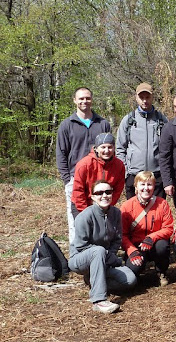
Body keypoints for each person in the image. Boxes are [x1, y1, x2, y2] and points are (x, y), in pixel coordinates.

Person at [68, 180, 137, 314]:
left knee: (130, 279)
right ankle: (98, 300)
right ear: (92, 196)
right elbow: (81, 246)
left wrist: (109, 256)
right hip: (80, 259)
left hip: (103, 259)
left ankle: (94, 280)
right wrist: (108, 256)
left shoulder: (116, 213)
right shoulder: (84, 216)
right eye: (99, 193)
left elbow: (117, 240)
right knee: (98, 251)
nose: (104, 195)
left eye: (108, 192)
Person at [56, 87, 111, 244]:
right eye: (81, 98)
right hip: (76, 179)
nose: (84, 101)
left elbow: (108, 151)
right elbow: (61, 154)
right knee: (76, 218)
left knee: (100, 216)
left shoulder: (103, 124)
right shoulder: (66, 125)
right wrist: (67, 180)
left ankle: (99, 250)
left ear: (92, 99)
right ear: (74, 100)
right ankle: (77, 251)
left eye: (87, 98)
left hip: (99, 180)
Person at [120, 171, 174, 286]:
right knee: (133, 269)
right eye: (142, 184)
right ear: (136, 187)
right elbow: (122, 235)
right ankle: (138, 273)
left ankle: (162, 272)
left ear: (154, 187)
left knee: (162, 247)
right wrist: (131, 251)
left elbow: (168, 228)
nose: (146, 188)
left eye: (149, 185)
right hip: (137, 246)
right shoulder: (126, 206)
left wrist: (151, 237)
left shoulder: (162, 204)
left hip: (155, 243)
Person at [116, 82, 168, 199]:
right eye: (141, 97)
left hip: (156, 176)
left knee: (156, 212)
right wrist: (125, 173)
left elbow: (168, 149)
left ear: (152, 97)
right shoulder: (129, 120)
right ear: (136, 98)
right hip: (134, 175)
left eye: (147, 97)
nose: (145, 101)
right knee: (134, 214)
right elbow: (120, 148)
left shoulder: (161, 120)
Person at [71, 133, 125, 217]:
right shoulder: (84, 165)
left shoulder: (119, 165)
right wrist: (86, 213)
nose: (107, 151)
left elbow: (117, 190)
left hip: (105, 204)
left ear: (114, 148)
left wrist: (106, 205)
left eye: (110, 147)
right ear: (96, 148)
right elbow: (78, 191)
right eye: (103, 147)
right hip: (82, 205)